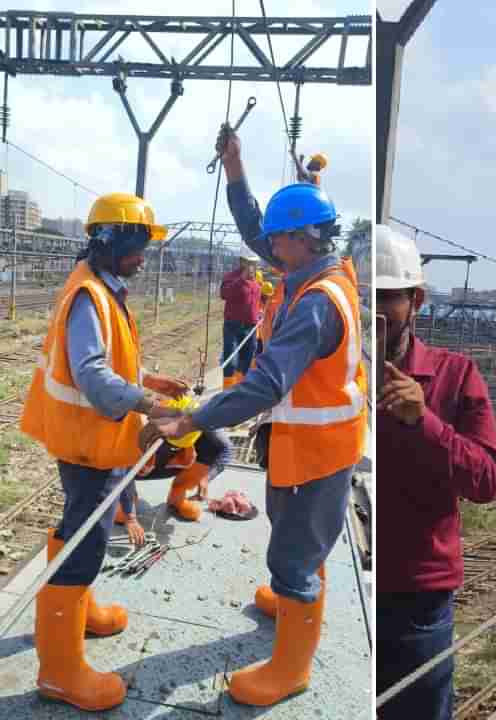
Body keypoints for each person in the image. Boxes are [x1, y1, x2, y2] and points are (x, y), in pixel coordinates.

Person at [145, 124, 366, 707]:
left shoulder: (316, 304)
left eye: (276, 240)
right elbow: (252, 224)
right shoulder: (318, 269)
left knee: (294, 550)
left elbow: (266, 384)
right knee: (299, 541)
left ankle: (290, 667)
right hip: (313, 441)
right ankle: (293, 596)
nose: (266, 248)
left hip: (317, 450)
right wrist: (236, 170)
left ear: (300, 238)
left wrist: (192, 417)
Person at [19, 192, 188, 711]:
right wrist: (150, 403)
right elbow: (92, 375)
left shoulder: (104, 289)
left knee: (80, 530)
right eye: (138, 245)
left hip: (93, 439)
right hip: (85, 442)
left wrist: (147, 378)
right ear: (111, 240)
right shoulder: (89, 296)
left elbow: (108, 360)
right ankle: (60, 670)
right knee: (83, 541)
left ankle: (82, 613)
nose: (144, 256)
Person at [373, 225, 496, 720]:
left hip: (415, 599)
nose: (377, 311)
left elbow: (488, 479)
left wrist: (424, 421)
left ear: (416, 301)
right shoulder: (340, 367)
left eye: (388, 297)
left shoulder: (454, 375)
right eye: (369, 297)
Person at [114, 395, 235, 531]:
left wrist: (206, 477)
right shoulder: (146, 425)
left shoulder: (203, 425)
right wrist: (129, 511)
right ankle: (125, 497)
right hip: (133, 468)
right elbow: (119, 464)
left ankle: (177, 498)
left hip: (168, 464)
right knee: (121, 513)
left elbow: (226, 450)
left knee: (213, 447)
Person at [219, 253, 261, 389]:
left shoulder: (257, 279)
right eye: (249, 262)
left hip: (251, 327)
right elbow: (224, 294)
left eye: (254, 263)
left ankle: (238, 390)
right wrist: (241, 280)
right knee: (231, 361)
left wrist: (258, 313)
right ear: (242, 261)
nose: (252, 266)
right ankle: (227, 392)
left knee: (247, 360)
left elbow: (256, 298)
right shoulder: (231, 277)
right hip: (234, 326)